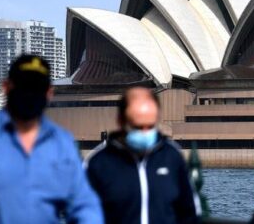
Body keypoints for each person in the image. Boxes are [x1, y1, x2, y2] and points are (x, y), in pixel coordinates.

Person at [0, 54, 103, 224]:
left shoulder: (62, 143)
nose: (30, 94)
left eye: (37, 88)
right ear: (6, 87)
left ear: (49, 93)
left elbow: (84, 205)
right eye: (24, 86)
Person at [85, 86, 199, 224]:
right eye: (138, 127)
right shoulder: (99, 163)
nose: (145, 132)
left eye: (149, 126)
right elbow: (84, 212)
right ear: (121, 121)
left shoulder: (172, 157)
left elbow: (189, 211)